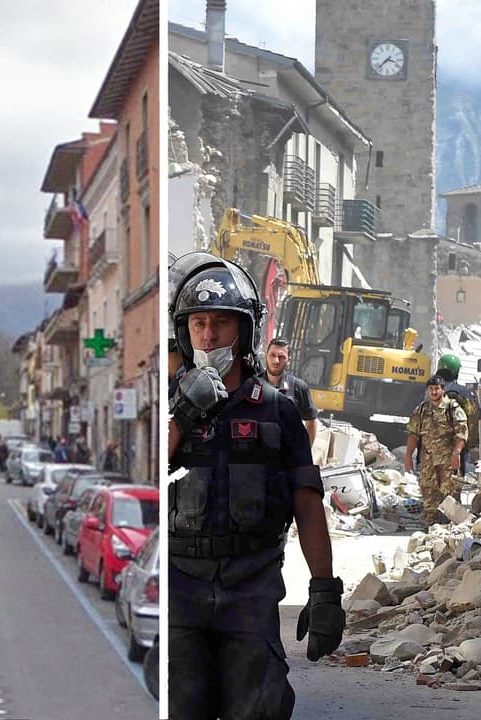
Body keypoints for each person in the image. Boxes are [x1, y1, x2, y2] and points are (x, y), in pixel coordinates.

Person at [167, 253, 341, 720]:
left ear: (244, 331)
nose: (208, 335)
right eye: (198, 323)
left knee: (261, 707)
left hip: (252, 586)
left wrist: (324, 590)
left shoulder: (278, 411)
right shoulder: (164, 406)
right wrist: (182, 414)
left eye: (221, 323)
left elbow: (307, 504)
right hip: (180, 589)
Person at [404, 375, 467, 527]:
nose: (433, 392)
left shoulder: (452, 408)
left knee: (451, 492)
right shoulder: (422, 410)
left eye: (436, 389)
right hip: (428, 460)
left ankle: (453, 524)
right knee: (428, 491)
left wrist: (456, 453)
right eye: (431, 389)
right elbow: (413, 434)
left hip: (448, 460)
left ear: (442, 390)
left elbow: (462, 433)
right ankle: (431, 522)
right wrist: (408, 456)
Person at [264, 337, 318, 446]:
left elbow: (311, 423)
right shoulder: (252, 385)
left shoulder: (298, 388)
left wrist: (305, 453)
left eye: (281, 357)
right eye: (272, 355)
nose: (276, 361)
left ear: (289, 360)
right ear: (266, 355)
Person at [433, 354, 479, 473]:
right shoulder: (464, 393)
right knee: (456, 478)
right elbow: (473, 416)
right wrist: (470, 443)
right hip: (458, 444)